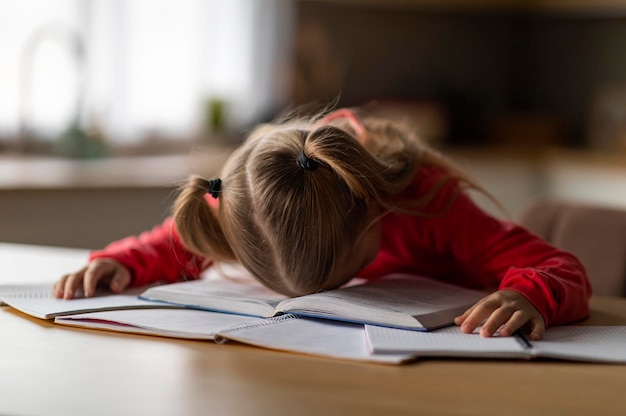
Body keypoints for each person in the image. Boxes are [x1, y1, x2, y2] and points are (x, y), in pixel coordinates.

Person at [53, 107, 592, 340]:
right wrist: (116, 262)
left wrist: (532, 294)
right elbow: (167, 244)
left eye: (344, 274)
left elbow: (554, 264)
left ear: (372, 209)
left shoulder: (425, 201)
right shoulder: (242, 205)